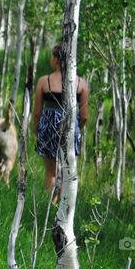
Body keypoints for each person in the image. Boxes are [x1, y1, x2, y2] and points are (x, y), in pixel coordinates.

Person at [32, 43, 89, 197]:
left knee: (50, 172)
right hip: (70, 127)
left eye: (52, 56)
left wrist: (38, 130)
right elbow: (84, 116)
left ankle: (49, 204)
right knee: (66, 172)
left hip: (48, 127)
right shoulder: (81, 83)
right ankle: (63, 211)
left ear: (57, 60)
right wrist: (76, 129)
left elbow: (37, 113)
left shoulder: (44, 82)